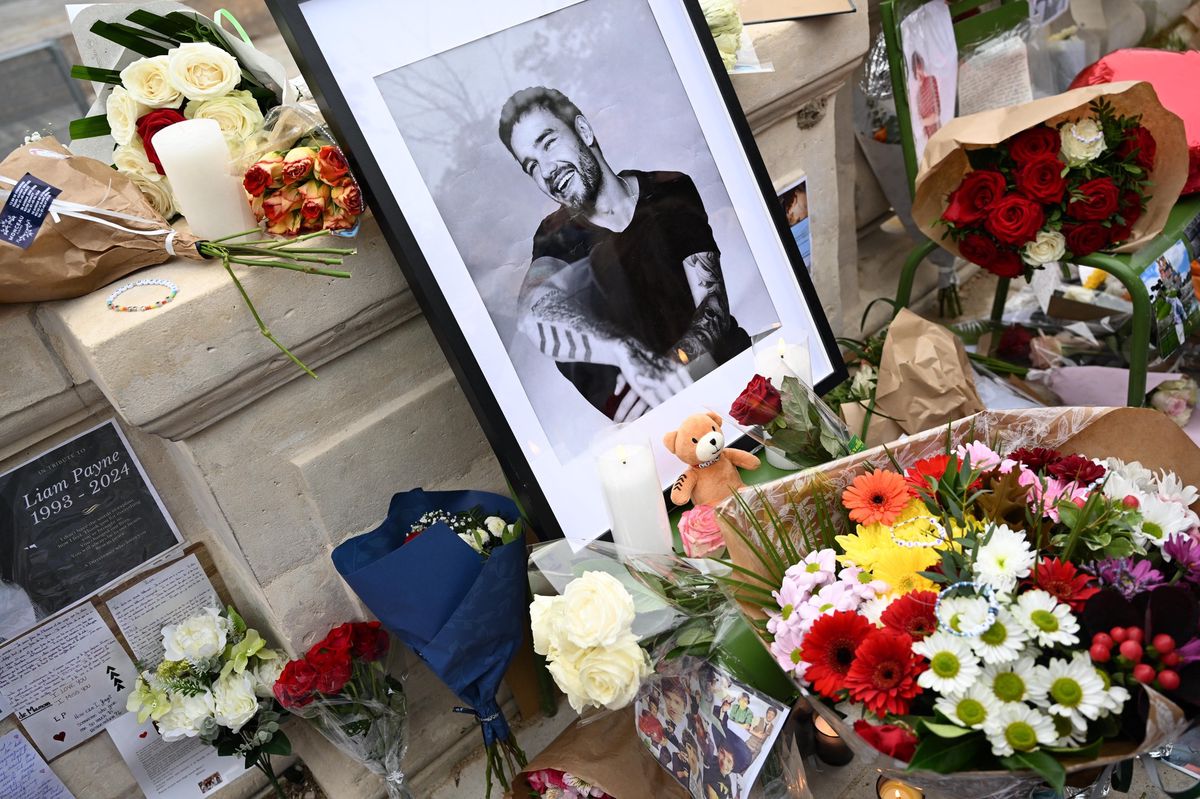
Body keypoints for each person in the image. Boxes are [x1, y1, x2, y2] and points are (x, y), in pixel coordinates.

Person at [499, 86, 752, 423]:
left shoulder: (668, 190)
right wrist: (623, 350)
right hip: (664, 425)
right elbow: (534, 311)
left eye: (548, 143)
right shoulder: (554, 238)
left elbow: (713, 306)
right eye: (531, 166)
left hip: (737, 384)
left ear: (584, 131)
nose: (546, 171)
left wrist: (667, 370)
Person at [911, 52, 941, 139]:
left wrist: (920, 123)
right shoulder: (916, 93)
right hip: (927, 139)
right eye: (915, 70)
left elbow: (936, 116)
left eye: (920, 68)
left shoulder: (930, 80)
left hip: (938, 133)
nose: (918, 73)